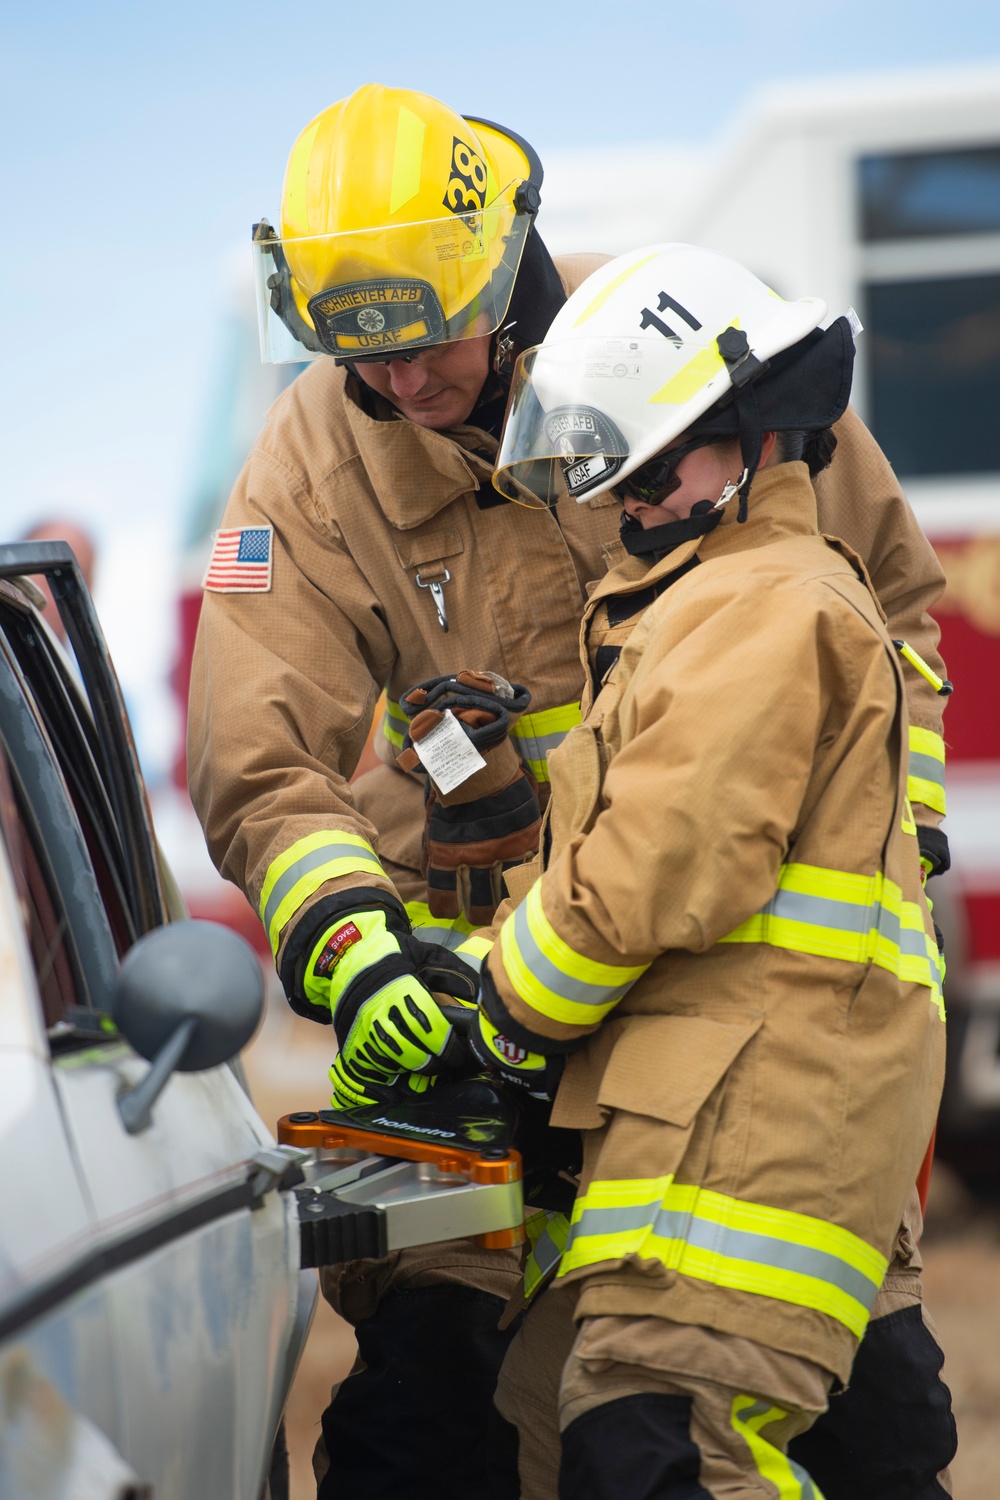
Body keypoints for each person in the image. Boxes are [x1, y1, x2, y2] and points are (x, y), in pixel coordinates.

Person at [187, 85, 952, 1497]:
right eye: (362, 357)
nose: (401, 386)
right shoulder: (311, 454)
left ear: (504, 265)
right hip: (449, 1015)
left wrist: (881, 853)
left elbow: (888, 615)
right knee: (423, 1424)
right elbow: (261, 756)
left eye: (427, 340)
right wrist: (359, 956)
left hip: (720, 1009)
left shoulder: (685, 346)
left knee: (840, 1408)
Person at [414, 242, 951, 1498]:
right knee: (558, 1427)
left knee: (660, 1451)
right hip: (697, 1117)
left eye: (655, 466)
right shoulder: (693, 601)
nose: (627, 499)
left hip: (758, 1125)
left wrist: (494, 1010)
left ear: (758, 439)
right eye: (615, 471)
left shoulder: (761, 603)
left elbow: (654, 870)